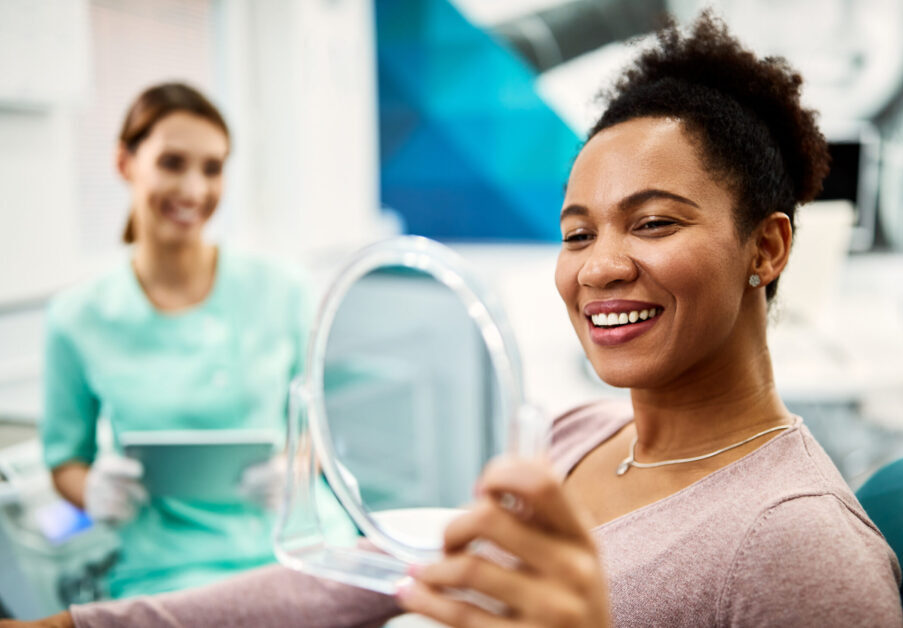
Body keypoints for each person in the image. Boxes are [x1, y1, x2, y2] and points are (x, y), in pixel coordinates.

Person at [8, 12, 902, 627]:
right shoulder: (574, 438)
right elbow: (341, 587)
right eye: (576, 232)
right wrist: (83, 619)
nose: (598, 266)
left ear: (768, 248)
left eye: (654, 221)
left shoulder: (800, 547)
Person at [37, 83, 356, 599]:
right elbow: (65, 461)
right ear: (125, 163)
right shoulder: (78, 318)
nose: (193, 189)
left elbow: (314, 431)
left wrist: (292, 472)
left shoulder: (283, 291)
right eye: (171, 162)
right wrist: (91, 491)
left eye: (212, 169)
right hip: (165, 571)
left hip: (299, 546)